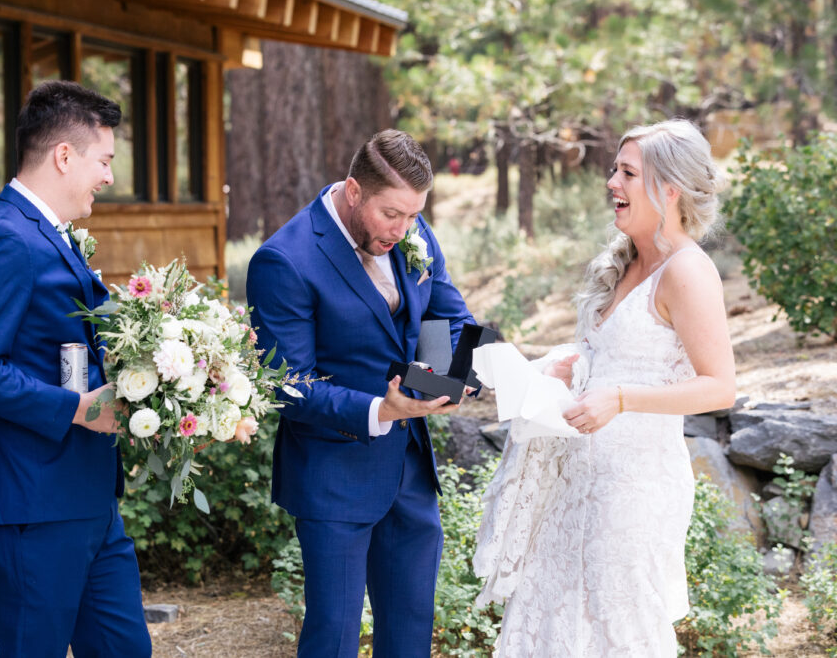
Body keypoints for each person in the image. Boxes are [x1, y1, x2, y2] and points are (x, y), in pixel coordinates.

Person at [473, 119, 736, 657]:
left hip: (632, 492)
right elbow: (616, 356)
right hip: (573, 486)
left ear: (670, 189)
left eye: (627, 173)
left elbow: (720, 387)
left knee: (616, 629)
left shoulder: (688, 271)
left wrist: (620, 399)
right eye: (615, 170)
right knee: (555, 621)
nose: (612, 182)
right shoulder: (626, 264)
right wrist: (567, 368)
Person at [247, 129, 476, 657]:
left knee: (411, 632)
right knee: (333, 637)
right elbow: (289, 386)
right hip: (333, 477)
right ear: (354, 191)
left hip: (410, 470)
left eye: (414, 215)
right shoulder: (284, 260)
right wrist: (381, 408)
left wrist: (444, 380)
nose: (404, 228)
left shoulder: (413, 231)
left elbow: (450, 316)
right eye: (391, 214)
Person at [0, 81, 151, 658]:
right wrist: (80, 408)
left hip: (86, 498)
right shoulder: (5, 241)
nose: (109, 177)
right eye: (104, 160)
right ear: (65, 155)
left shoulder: (49, 235)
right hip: (30, 505)